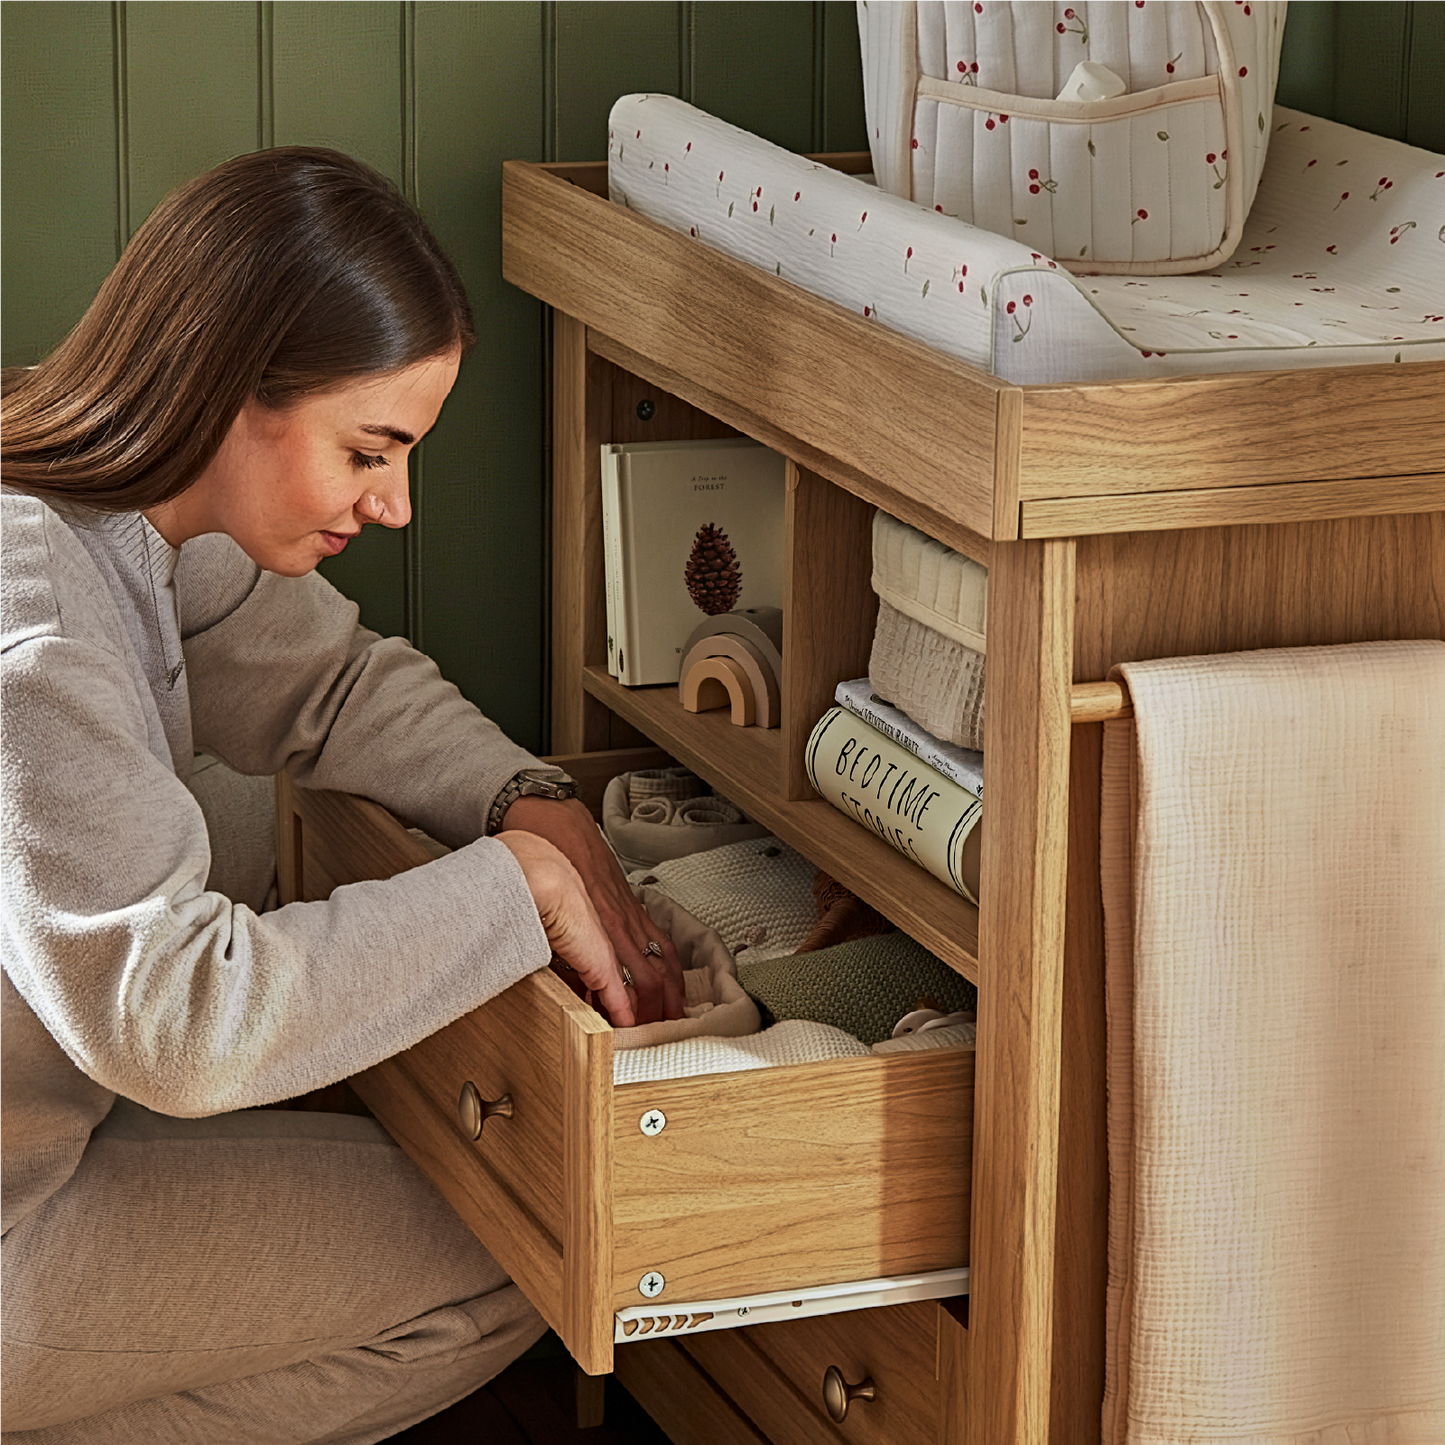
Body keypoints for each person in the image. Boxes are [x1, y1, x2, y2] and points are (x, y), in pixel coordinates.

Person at [0, 146, 686, 1442]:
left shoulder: (104, 504)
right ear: (231, 389)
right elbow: (186, 1022)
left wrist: (526, 801)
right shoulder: (39, 638)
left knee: (250, 824)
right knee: (523, 1243)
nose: (398, 503)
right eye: (370, 448)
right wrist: (517, 893)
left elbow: (329, 683)